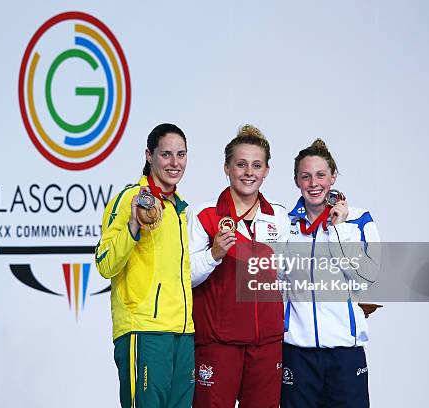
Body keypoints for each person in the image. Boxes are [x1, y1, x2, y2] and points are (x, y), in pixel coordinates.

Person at [189, 125, 290, 408]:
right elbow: (184, 275)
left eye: (256, 165)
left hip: (267, 344)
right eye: (241, 164)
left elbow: (288, 276)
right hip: (218, 344)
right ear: (227, 168)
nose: (249, 172)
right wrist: (213, 254)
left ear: (267, 170)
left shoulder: (279, 217)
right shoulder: (204, 214)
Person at [95, 123, 195, 408]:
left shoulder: (181, 209)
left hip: (183, 333)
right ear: (149, 156)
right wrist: (133, 226)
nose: (175, 163)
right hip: (144, 331)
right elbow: (105, 263)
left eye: (181, 154)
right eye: (166, 155)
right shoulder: (130, 199)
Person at [280, 139, 381, 408]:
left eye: (321, 175)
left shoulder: (359, 221)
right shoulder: (284, 224)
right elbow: (273, 282)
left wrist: (338, 229)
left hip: (345, 353)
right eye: (306, 176)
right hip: (297, 352)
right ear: (296, 181)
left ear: (333, 177)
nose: (314, 183)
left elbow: (366, 279)